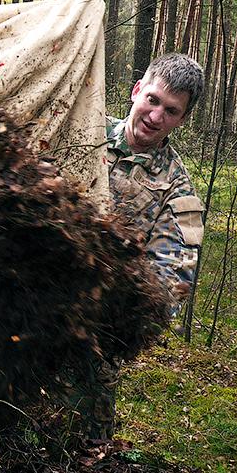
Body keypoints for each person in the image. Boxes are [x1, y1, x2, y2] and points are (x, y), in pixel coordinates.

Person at [73, 53, 206, 440]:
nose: (155, 115)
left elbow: (175, 281)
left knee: (79, 455)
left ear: (181, 119)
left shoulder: (180, 194)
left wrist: (117, 307)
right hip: (19, 307)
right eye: (153, 99)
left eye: (170, 110)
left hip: (91, 341)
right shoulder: (81, 130)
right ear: (137, 91)